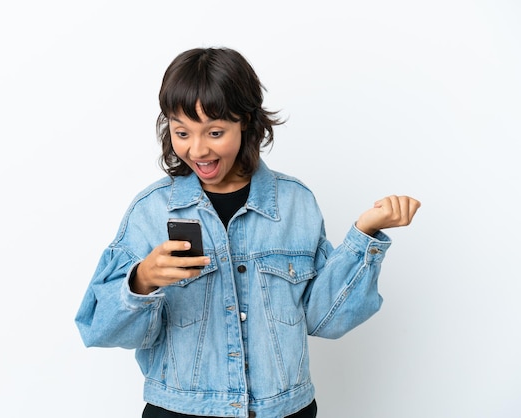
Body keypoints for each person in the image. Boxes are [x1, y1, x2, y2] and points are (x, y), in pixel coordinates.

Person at [75, 47, 420, 418]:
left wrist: (364, 236)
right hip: (181, 411)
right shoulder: (151, 210)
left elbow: (325, 319)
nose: (198, 148)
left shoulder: (295, 203)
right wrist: (141, 280)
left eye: (215, 132)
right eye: (182, 132)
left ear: (248, 122)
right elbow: (99, 328)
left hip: (285, 410)